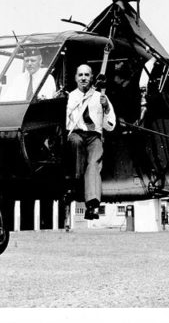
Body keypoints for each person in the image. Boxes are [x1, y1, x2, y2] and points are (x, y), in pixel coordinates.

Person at [66, 64, 116, 220]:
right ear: (75, 78)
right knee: (75, 142)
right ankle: (76, 181)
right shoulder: (69, 97)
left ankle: (92, 205)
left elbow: (110, 126)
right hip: (76, 134)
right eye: (80, 75)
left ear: (92, 77)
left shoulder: (100, 96)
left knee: (94, 163)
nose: (83, 78)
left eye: (86, 75)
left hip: (94, 135)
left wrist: (106, 107)